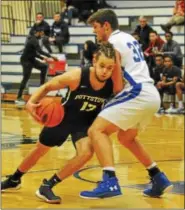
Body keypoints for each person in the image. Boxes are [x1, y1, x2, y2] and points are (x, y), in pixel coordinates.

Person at [1, 43, 118, 204]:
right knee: (39, 150)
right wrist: (31, 102)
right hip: (63, 117)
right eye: (102, 66)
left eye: (110, 68)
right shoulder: (77, 76)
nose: (105, 71)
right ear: (94, 61)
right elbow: (48, 86)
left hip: (85, 123)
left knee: (86, 153)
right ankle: (14, 179)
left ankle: (48, 185)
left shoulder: (113, 83)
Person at [79, 9, 173, 199]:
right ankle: (158, 177)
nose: (95, 33)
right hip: (150, 93)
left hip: (136, 92)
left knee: (96, 130)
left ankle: (110, 181)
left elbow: (118, 84)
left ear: (106, 26)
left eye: (96, 28)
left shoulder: (112, 43)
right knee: (126, 138)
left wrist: (105, 96)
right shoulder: (127, 37)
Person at [15, 30, 57, 105]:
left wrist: (42, 58)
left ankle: (41, 88)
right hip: (26, 61)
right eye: (42, 33)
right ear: (37, 33)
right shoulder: (33, 40)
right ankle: (19, 97)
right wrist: (51, 56)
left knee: (44, 67)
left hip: (31, 59)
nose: (42, 35)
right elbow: (40, 51)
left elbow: (34, 53)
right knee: (26, 78)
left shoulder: (34, 40)